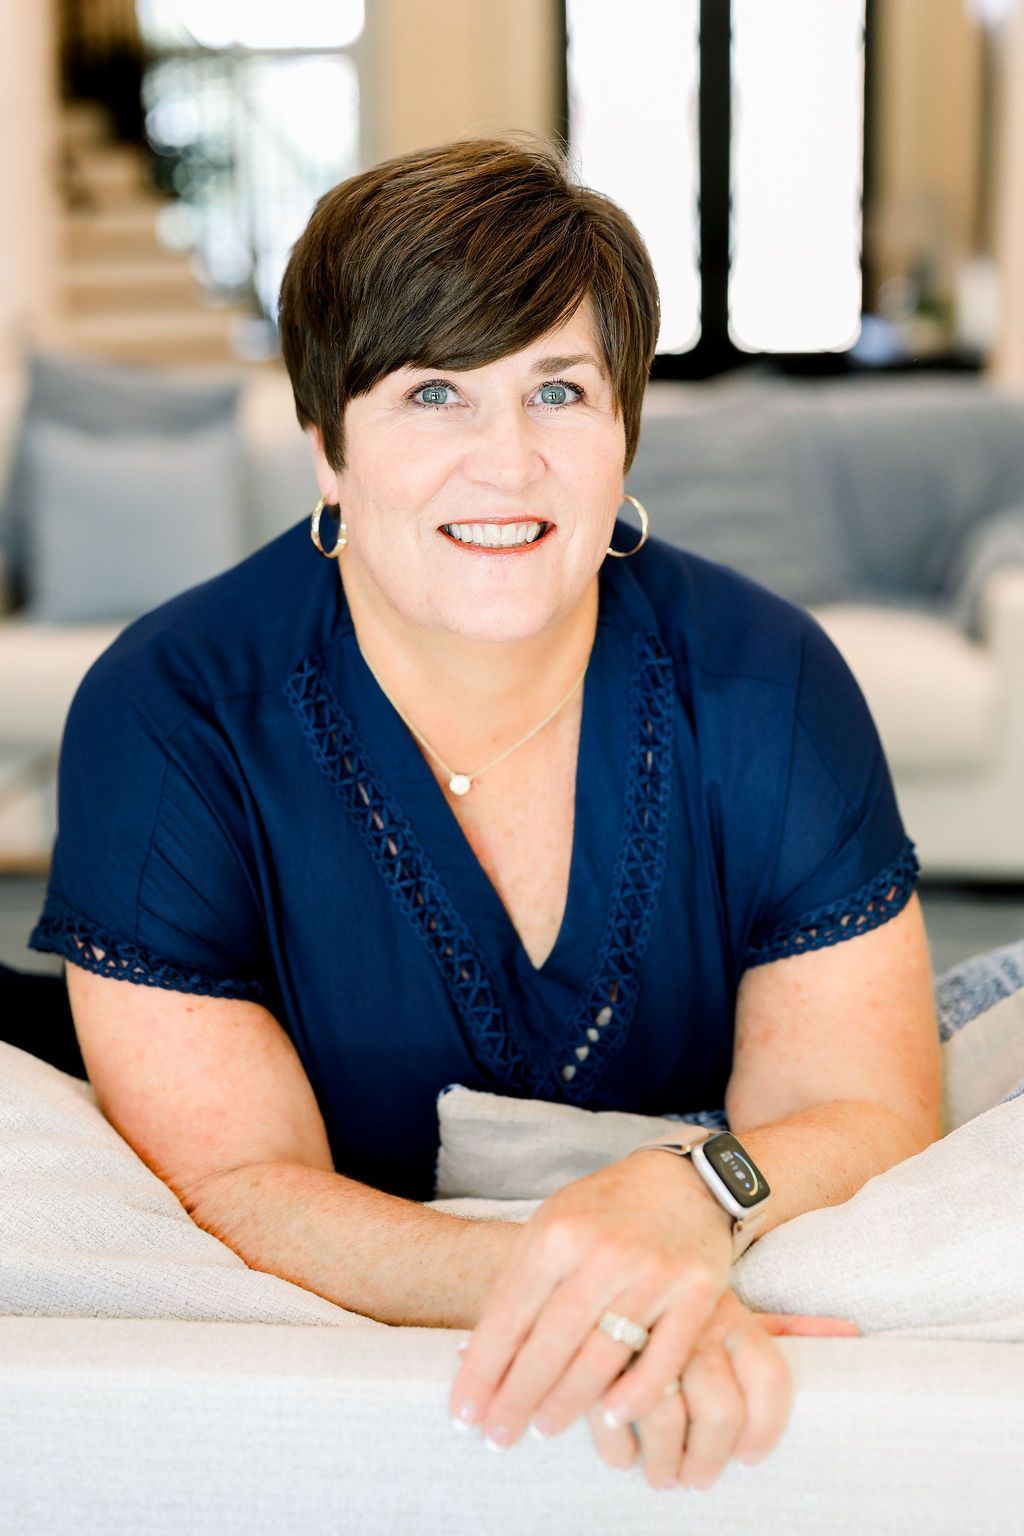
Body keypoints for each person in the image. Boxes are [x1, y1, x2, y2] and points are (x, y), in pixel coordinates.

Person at [26, 134, 942, 1493]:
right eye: (435, 393)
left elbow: (866, 1105)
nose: (506, 463)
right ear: (327, 443)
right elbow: (238, 1186)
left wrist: (681, 1196)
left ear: (624, 427)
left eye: (558, 390)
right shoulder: (173, 713)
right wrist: (595, 1290)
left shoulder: (767, 677)